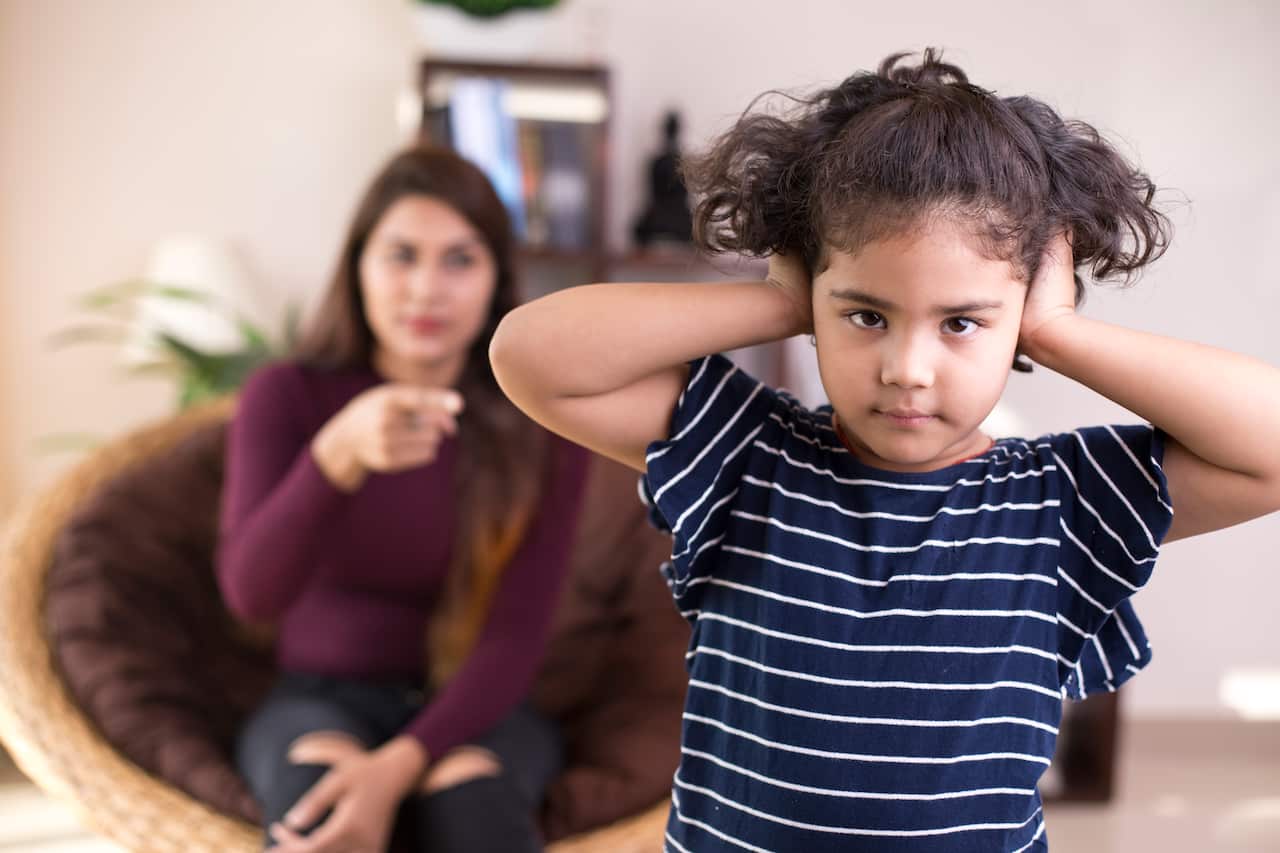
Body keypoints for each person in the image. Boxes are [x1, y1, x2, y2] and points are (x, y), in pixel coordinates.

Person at [488, 50, 1280, 851]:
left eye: (961, 322)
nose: (907, 368)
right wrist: (776, 301)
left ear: (1020, 315)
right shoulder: (746, 457)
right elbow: (531, 358)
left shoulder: (1060, 505)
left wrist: (1056, 331)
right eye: (866, 315)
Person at [217, 145, 589, 853]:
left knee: (474, 809)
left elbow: (514, 639)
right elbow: (251, 594)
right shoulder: (287, 396)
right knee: (313, 815)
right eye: (401, 255)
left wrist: (396, 768)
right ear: (357, 267)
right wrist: (337, 456)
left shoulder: (541, 427)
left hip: (477, 707)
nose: (427, 289)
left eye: (459, 259)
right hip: (319, 701)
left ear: (495, 280)